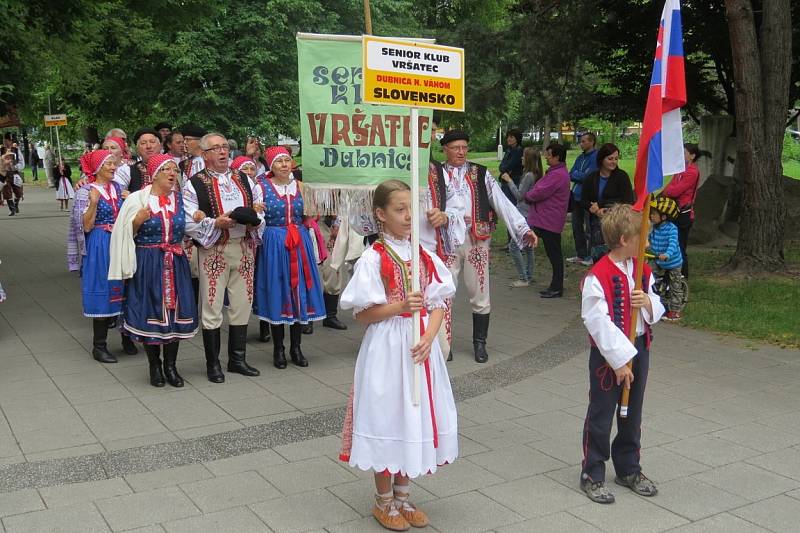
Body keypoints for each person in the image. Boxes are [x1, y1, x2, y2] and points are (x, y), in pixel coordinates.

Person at [339, 179, 458, 531]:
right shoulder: (373, 258)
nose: (409, 216)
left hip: (420, 347)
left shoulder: (424, 255)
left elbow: (438, 303)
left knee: (415, 414)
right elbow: (362, 314)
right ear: (381, 214)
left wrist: (430, 336)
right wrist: (400, 306)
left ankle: (404, 495)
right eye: (400, 209)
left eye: (411, 208)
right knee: (387, 415)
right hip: (387, 348)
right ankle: (383, 500)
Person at [579, 203, 665, 504]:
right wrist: (618, 361)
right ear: (625, 240)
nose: (647, 242)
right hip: (609, 356)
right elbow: (596, 320)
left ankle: (628, 467)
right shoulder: (597, 275)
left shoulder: (643, 269)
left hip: (640, 347)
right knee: (602, 414)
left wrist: (649, 303)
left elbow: (658, 302)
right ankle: (592, 472)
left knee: (633, 412)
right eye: (642, 236)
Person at [431, 130, 537, 363]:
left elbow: (501, 201)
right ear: (445, 149)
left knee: (480, 292)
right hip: (446, 241)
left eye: (464, 147)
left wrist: (522, 228)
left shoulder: (480, 173)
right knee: (443, 292)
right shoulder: (435, 173)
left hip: (476, 241)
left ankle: (480, 344)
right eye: (456, 147)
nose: (461, 152)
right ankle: (443, 345)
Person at [109, 154, 198, 387]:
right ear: (154, 174)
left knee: (175, 314)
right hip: (148, 262)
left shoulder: (180, 201)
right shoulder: (138, 200)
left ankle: (171, 366)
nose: (172, 174)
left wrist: (202, 219)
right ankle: (154, 366)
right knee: (152, 312)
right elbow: (121, 234)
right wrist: (137, 221)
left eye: (175, 170)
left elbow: (191, 227)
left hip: (175, 262)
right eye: (166, 170)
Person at [183, 132, 264, 382]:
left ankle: (237, 359)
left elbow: (261, 207)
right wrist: (215, 223)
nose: (222, 151)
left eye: (225, 147)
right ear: (205, 154)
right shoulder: (194, 183)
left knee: (242, 304)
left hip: (243, 247)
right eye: (216, 148)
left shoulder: (245, 179)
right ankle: (213, 364)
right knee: (212, 305)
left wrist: (255, 223)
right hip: (213, 250)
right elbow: (187, 219)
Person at [253, 147, 326, 368]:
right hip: (274, 241)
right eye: (279, 161)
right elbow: (256, 217)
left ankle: (296, 347)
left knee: (298, 292)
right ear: (271, 166)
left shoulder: (301, 187)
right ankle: (279, 349)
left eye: (287, 160)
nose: (284, 164)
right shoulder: (261, 187)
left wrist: (311, 214)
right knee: (279, 289)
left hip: (298, 241)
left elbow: (310, 215)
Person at [71, 150, 129, 363]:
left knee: (125, 287)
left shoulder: (119, 188)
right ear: (97, 168)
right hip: (99, 244)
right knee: (102, 290)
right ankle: (99, 345)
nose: (113, 168)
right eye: (109, 165)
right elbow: (85, 226)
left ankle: (127, 337)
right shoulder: (86, 192)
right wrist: (94, 202)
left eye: (114, 164)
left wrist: (130, 199)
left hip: (120, 242)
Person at [524, 143, 571, 298]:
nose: (546, 157)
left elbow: (539, 192)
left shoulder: (557, 175)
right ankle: (554, 285)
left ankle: (557, 287)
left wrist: (528, 195)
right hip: (546, 219)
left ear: (557, 156)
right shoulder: (556, 172)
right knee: (551, 252)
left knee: (554, 254)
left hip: (549, 220)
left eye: (549, 154)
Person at [662, 143, 709, 279]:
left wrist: (667, 192)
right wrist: (666, 191)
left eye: (683, 153)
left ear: (692, 156)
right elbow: (670, 185)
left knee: (680, 245)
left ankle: (683, 275)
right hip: (674, 211)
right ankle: (671, 274)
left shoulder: (692, 172)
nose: (680, 156)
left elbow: (675, 190)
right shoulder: (680, 169)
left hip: (683, 213)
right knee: (671, 242)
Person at [582, 143, 635, 263]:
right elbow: (583, 200)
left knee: (616, 258)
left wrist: (606, 209)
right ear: (602, 159)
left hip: (616, 223)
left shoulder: (622, 177)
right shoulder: (591, 178)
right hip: (596, 225)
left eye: (616, 159)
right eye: (610, 158)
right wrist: (593, 209)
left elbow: (628, 201)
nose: (613, 162)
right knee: (599, 259)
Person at [500, 147, 542, 287]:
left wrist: (509, 180)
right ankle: (529, 275)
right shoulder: (536, 174)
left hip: (523, 214)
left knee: (514, 246)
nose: (521, 159)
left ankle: (523, 277)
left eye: (524, 157)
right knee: (529, 246)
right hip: (530, 213)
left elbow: (519, 195)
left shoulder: (529, 175)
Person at [648, 195, 684, 321]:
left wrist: (667, 254)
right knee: (650, 278)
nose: (651, 216)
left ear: (663, 217)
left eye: (654, 214)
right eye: (651, 214)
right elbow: (648, 241)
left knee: (675, 285)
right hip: (658, 259)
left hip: (672, 261)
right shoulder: (653, 228)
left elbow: (673, 244)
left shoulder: (672, 229)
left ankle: (675, 310)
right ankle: (655, 303)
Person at [567, 133, 598, 266]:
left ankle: (591, 255)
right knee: (576, 225)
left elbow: (589, 176)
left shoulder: (595, 157)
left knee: (590, 227)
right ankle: (581, 254)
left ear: (592, 142)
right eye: (581, 141)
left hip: (588, 196)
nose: (581, 143)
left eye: (584, 141)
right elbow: (571, 173)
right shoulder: (580, 157)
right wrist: (578, 175)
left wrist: (578, 175)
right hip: (576, 195)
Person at [498, 128, 524, 205]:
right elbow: (501, 166)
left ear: (517, 139)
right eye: (508, 137)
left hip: (514, 182)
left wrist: (504, 169)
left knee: (511, 205)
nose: (508, 139)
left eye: (511, 137)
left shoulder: (518, 150)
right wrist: (504, 169)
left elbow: (509, 166)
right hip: (505, 180)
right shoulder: (509, 149)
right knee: (505, 205)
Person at [0, 150, 23, 215]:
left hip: (15, 175)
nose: (10, 156)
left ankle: (16, 205)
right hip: (5, 176)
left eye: (11, 155)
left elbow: (21, 166)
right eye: (8, 154)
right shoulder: (2, 159)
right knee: (7, 193)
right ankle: (12, 209)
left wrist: (15, 167)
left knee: (18, 192)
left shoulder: (15, 160)